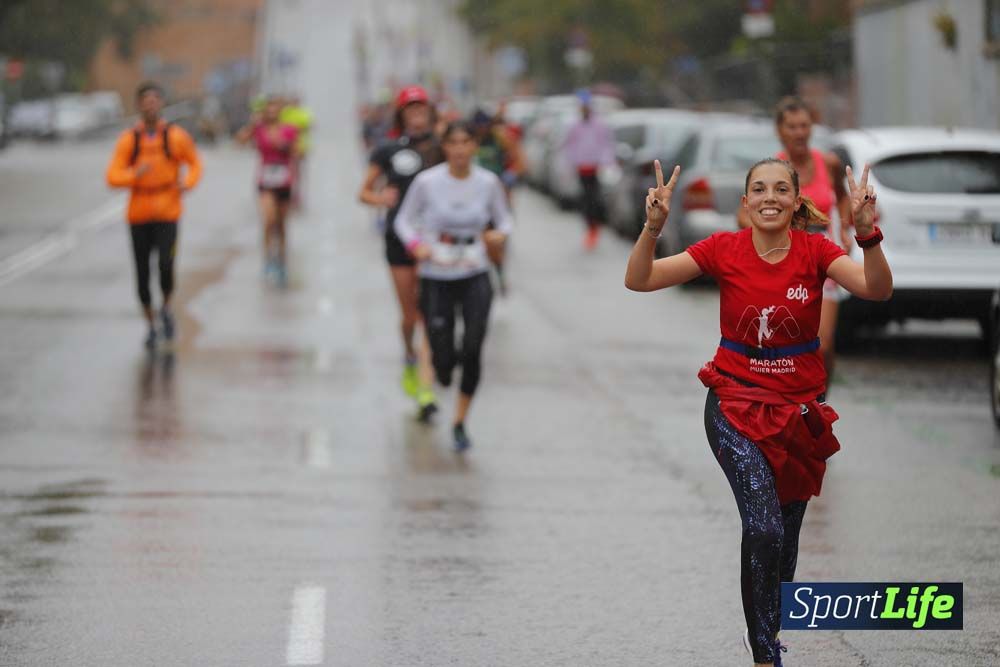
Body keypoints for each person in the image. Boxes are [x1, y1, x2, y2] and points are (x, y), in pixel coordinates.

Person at [625, 158, 891, 666]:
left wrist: (867, 235)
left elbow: (876, 289)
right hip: (734, 410)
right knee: (763, 527)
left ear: (795, 201)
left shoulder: (817, 250)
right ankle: (765, 653)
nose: (770, 197)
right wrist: (652, 229)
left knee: (784, 547)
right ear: (745, 204)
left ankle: (765, 626)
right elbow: (640, 280)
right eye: (759, 190)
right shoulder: (724, 249)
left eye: (781, 189)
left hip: (797, 417)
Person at [393, 121, 512, 452]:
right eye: (454, 143)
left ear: (475, 146)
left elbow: (504, 219)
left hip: (474, 269)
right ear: (444, 147)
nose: (460, 149)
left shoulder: (488, 182)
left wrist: (498, 235)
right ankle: (443, 375)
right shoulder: (427, 182)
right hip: (437, 272)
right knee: (442, 357)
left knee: (473, 346)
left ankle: (460, 422)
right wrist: (416, 243)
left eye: (466, 142)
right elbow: (403, 219)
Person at [740, 97, 852, 379]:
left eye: (804, 125)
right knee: (789, 342)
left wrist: (845, 231)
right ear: (780, 131)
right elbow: (744, 214)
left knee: (823, 345)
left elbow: (842, 199)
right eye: (792, 126)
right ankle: (790, 399)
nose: (799, 132)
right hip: (784, 261)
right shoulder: (769, 171)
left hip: (822, 260)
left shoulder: (828, 163)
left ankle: (820, 402)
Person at [358, 85, 443, 419]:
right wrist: (380, 199)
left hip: (433, 241)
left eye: (422, 108)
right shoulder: (389, 150)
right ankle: (409, 355)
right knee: (410, 316)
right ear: (402, 114)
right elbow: (363, 192)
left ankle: (425, 387)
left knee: (430, 314)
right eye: (411, 109)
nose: (417, 114)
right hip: (398, 239)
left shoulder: (443, 147)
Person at [106, 81, 203, 350]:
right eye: (145, 101)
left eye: (155, 100)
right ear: (138, 105)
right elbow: (112, 176)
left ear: (161, 104)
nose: (150, 105)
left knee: (165, 266)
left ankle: (167, 307)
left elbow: (195, 163)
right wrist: (132, 175)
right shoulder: (130, 140)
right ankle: (150, 324)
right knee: (141, 275)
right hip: (138, 214)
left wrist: (189, 183)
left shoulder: (175, 137)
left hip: (168, 211)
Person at [235, 96, 300, 287]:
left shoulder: (289, 130)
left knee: (281, 225)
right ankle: (267, 259)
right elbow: (239, 141)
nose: (272, 112)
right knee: (268, 220)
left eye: (275, 109)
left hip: (284, 180)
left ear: (280, 111)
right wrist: (252, 125)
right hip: (265, 180)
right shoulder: (259, 129)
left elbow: (297, 152)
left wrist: (285, 146)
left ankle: (281, 260)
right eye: (269, 109)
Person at [561, 89, 615, 250]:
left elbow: (605, 144)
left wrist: (606, 163)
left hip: (595, 168)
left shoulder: (599, 124)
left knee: (594, 199)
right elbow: (570, 146)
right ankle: (589, 227)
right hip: (581, 168)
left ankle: (595, 227)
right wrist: (571, 164)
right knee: (585, 199)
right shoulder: (574, 126)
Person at [280, 94, 314, 210]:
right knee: (288, 172)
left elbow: (308, 126)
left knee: (297, 173)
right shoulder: (285, 112)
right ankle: (287, 194)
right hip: (285, 147)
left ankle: (296, 195)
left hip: (300, 147)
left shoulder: (303, 113)